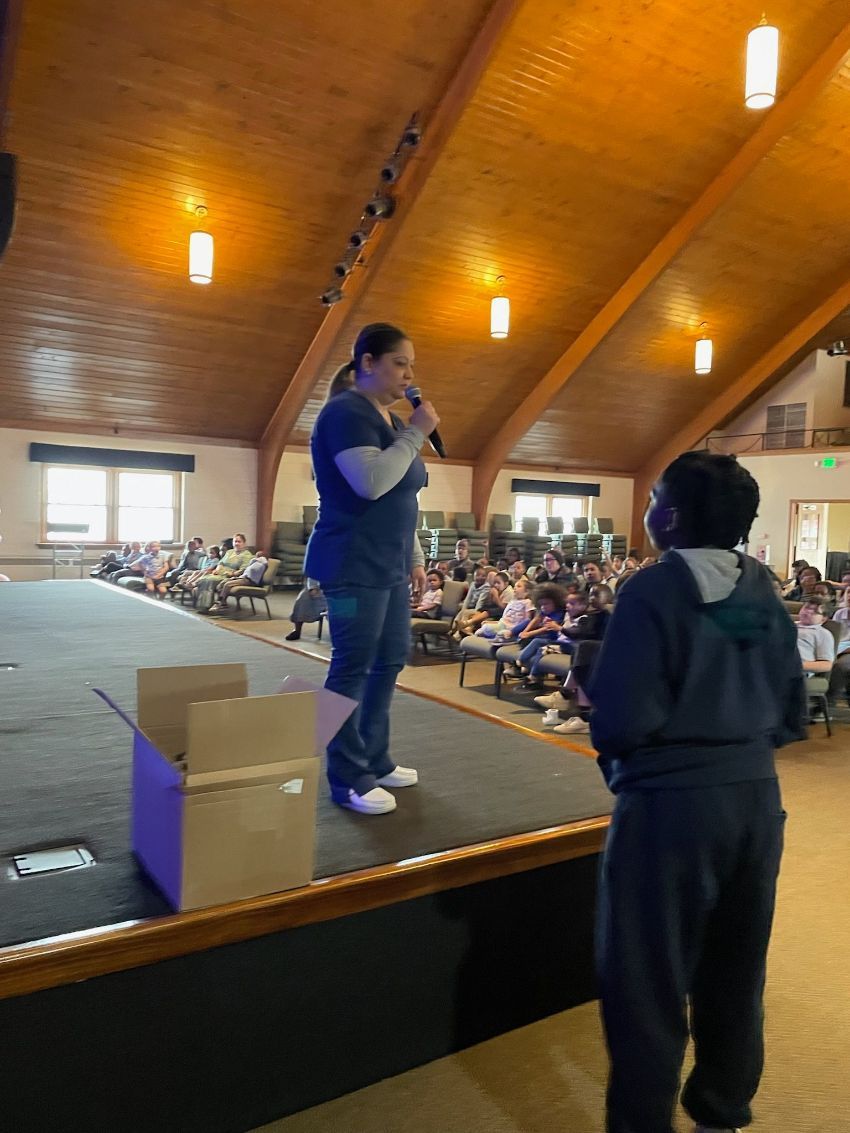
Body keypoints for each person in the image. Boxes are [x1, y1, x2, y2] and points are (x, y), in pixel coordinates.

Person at [587, 451, 805, 1133]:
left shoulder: (653, 589)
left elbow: (624, 718)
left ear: (671, 516)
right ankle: (721, 1110)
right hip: (755, 803)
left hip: (670, 810)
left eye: (653, 497)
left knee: (647, 981)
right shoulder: (761, 587)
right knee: (736, 968)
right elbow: (788, 701)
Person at [304, 322, 437, 817]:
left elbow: (406, 498)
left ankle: (375, 759)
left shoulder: (382, 419)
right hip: (348, 565)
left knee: (388, 661)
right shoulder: (346, 413)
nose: (408, 374)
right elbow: (372, 483)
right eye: (400, 362)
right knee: (351, 664)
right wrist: (415, 433)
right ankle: (346, 778)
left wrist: (416, 556)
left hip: (388, 566)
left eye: (410, 365)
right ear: (367, 363)